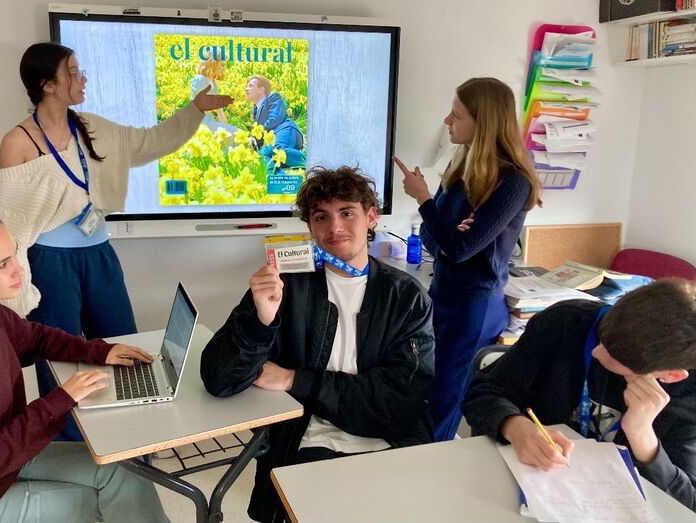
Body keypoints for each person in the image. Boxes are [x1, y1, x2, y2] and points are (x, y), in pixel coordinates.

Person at [0, 42, 231, 441]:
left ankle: (134, 437)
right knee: (57, 358)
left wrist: (195, 109)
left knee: (124, 344)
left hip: (100, 255)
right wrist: (13, 285)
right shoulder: (17, 142)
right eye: (73, 72)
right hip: (50, 262)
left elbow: (150, 141)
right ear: (47, 85)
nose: (83, 78)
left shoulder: (90, 127)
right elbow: (11, 224)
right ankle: (70, 447)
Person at [200, 166, 435, 523]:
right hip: (308, 441)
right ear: (310, 227)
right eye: (321, 217)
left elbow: (400, 403)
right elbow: (219, 379)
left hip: (389, 444)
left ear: (371, 217)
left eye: (347, 213)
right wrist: (261, 321)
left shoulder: (405, 298)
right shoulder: (287, 286)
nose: (334, 228)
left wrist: (294, 380)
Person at [0, 208, 169, 523]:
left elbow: (35, 338)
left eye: (14, 255)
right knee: (105, 504)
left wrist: (99, 351)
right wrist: (61, 400)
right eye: (2, 265)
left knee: (125, 472)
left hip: (1, 466)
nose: (19, 270)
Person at [394, 76, 543, 442]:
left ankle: (430, 465)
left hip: (473, 307)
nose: (447, 121)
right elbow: (433, 238)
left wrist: (424, 200)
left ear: (484, 122)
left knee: (445, 401)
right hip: (443, 293)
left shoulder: (514, 181)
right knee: (425, 388)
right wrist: (449, 235)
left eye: (457, 115)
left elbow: (458, 248)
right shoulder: (461, 167)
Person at [462, 279, 696, 511]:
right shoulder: (566, 322)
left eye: (618, 362)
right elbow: (483, 392)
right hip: (525, 490)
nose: (597, 352)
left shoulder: (689, 395)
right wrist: (515, 427)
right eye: (601, 338)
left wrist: (643, 437)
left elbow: (687, 503)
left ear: (671, 375)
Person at [245, 74, 306, 171]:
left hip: (285, 129)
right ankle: (278, 177)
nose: (246, 89)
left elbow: (275, 119)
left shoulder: (273, 97)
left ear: (261, 89)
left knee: (278, 150)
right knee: (260, 157)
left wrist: (254, 136)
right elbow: (260, 137)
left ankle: (312, 160)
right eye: (246, 86)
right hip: (272, 138)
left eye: (250, 86)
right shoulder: (255, 110)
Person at [190, 51, 228, 126]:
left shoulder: (214, 82)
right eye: (222, 65)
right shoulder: (200, 80)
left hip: (207, 120)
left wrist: (226, 126)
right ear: (213, 63)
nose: (224, 69)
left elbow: (218, 108)